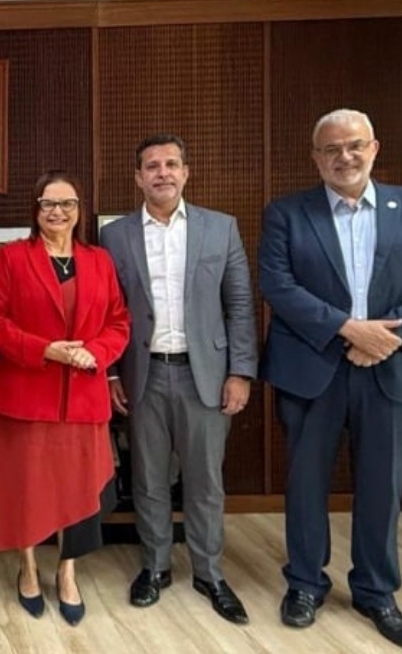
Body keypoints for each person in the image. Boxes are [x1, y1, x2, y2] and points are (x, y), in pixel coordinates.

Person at [259, 109, 402, 651]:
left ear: (374, 148)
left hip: (390, 368)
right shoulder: (286, 213)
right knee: (305, 485)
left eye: (353, 146)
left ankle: (376, 591)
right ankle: (305, 583)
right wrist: (347, 329)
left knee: (382, 486)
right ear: (315, 158)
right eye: (331, 149)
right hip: (312, 368)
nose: (343, 157)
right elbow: (277, 284)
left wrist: (391, 336)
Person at [99, 135, 257, 625]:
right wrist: (110, 371)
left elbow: (240, 305)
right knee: (148, 478)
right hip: (142, 374)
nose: (162, 173)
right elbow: (106, 310)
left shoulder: (221, 228)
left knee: (205, 481)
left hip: (204, 375)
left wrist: (240, 372)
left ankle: (210, 573)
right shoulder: (115, 236)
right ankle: (156, 566)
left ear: (186, 172)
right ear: (138, 177)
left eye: (171, 164)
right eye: (152, 166)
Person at [0, 171, 130, 626]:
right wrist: (44, 349)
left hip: (82, 396)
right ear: (36, 209)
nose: (58, 212)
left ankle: (68, 572)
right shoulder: (12, 257)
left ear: (79, 210)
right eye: (48, 203)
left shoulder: (99, 260)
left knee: (78, 488)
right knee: (27, 486)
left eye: (67, 204)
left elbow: (119, 321)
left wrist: (95, 353)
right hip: (27, 394)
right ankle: (27, 568)